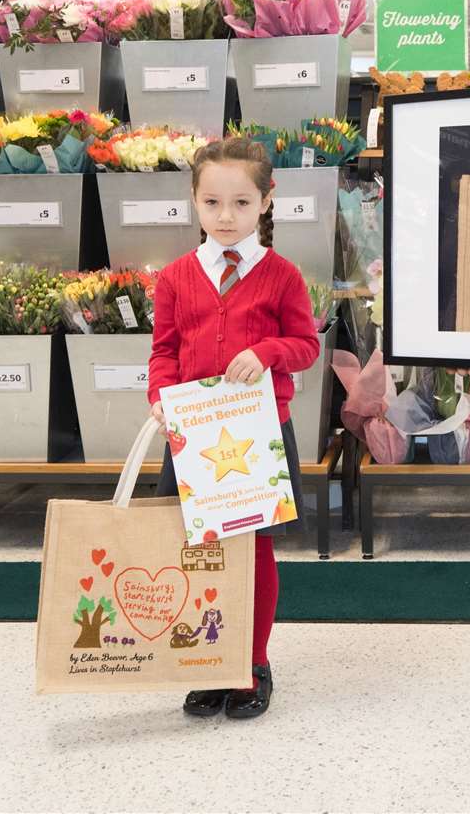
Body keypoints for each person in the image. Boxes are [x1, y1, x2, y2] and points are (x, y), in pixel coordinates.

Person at [146, 136, 320, 721]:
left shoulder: (283, 277)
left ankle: (252, 662)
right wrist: (160, 397)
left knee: (255, 550)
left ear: (268, 202)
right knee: (198, 551)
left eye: (242, 203)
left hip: (258, 439)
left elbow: (305, 347)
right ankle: (208, 659)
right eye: (213, 203)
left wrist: (270, 350)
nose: (226, 216)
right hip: (191, 438)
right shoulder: (174, 278)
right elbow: (163, 351)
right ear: (193, 203)